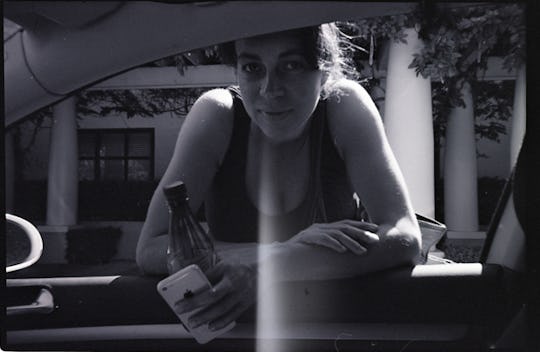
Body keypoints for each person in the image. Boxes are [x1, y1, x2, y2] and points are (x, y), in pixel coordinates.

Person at [136, 23, 421, 332]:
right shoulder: (217, 115)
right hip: (237, 335)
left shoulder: (344, 107)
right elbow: (152, 247)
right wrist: (282, 251)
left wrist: (265, 267)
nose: (270, 89)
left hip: (330, 331)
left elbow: (403, 235)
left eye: (292, 65)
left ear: (324, 72)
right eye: (252, 67)